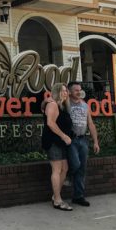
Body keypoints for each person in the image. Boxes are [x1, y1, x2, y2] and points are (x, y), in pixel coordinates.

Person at [41, 83, 74, 211]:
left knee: (64, 168)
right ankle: (58, 200)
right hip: (53, 141)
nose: (66, 93)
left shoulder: (62, 106)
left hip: (60, 142)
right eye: (63, 91)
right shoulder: (53, 104)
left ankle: (56, 196)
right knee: (57, 170)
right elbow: (50, 123)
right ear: (57, 91)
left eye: (66, 91)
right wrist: (64, 136)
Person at [67, 81, 100, 207]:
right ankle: (68, 177)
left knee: (82, 169)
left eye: (80, 90)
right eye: (76, 90)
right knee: (75, 164)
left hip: (83, 139)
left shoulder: (85, 105)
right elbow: (48, 103)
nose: (79, 92)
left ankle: (78, 196)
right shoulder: (65, 104)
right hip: (71, 140)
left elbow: (90, 124)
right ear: (69, 92)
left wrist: (95, 142)